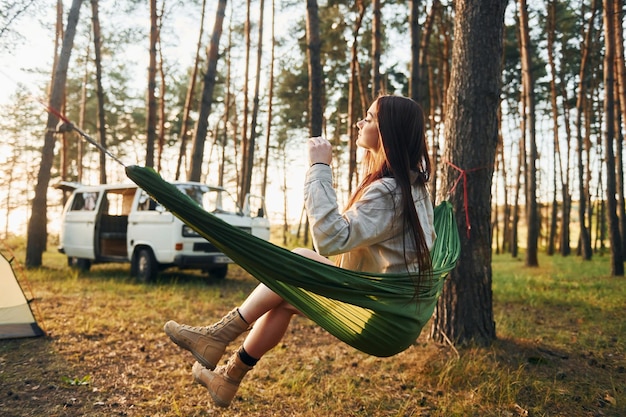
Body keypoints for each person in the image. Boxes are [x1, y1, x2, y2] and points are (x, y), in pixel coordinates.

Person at [163, 94, 436, 408]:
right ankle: (228, 376)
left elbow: (330, 239)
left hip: (384, 317)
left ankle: (218, 337)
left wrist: (319, 167)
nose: (359, 122)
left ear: (388, 132)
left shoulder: (389, 191)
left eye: (369, 118)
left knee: (300, 258)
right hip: (391, 310)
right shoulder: (412, 187)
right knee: (285, 298)